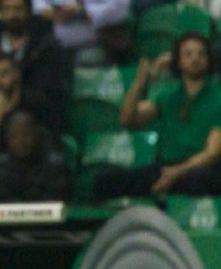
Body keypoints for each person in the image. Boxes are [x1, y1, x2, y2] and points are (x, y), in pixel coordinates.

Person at [93, 33, 221, 200]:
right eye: (188, 54)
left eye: (201, 54)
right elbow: (128, 119)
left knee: (196, 179)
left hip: (200, 168)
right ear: (179, 62)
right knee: (106, 181)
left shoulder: (218, 99)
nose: (195, 59)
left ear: (209, 60)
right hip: (167, 167)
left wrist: (177, 172)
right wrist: (139, 82)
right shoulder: (167, 96)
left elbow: (212, 155)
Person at [0, 0, 66, 112]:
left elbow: (48, 89)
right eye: (7, 9)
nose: (12, 15)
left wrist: (16, 97)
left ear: (29, 11)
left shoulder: (45, 44)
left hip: (33, 110)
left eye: (18, 9)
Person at [31, 0, 132, 66]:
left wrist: (82, 12)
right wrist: (48, 11)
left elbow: (120, 10)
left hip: (95, 44)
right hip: (55, 44)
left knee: (86, 59)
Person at [0, 110, 73, 201]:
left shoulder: (55, 167)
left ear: (37, 135)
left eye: (26, 135)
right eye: (14, 135)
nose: (20, 141)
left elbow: (54, 202)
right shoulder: (1, 166)